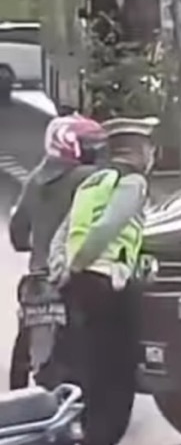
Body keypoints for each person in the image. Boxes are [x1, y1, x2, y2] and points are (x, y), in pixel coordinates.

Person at [50, 116, 158, 445]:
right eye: (149, 148)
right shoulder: (133, 182)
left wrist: (63, 269)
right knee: (118, 373)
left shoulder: (94, 180)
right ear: (139, 151)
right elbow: (109, 226)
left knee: (90, 368)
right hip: (107, 286)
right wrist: (82, 264)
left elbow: (65, 231)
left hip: (79, 287)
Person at [8, 114, 108, 389]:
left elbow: (18, 232)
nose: (96, 152)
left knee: (24, 340)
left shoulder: (34, 179)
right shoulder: (92, 178)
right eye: (90, 146)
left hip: (38, 280)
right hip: (77, 274)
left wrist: (34, 244)